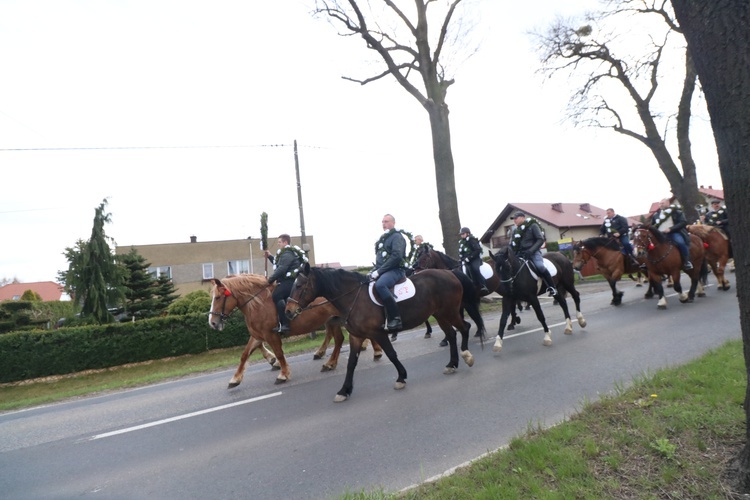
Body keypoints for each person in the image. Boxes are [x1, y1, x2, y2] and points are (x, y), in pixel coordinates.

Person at [368, 214, 407, 332]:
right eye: (382, 222)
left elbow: (396, 256)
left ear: (393, 223)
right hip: (385, 270)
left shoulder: (397, 237)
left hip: (396, 270)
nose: (383, 224)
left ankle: (395, 317)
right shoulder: (383, 239)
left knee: (380, 285)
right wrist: (375, 270)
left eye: (386, 221)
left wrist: (379, 271)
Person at [265, 234, 307, 334]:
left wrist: (269, 280)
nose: (278, 244)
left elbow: (282, 269)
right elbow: (278, 264)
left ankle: (285, 324)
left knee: (276, 295)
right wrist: (270, 256)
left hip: (290, 282)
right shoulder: (285, 253)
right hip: (286, 281)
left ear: (285, 242)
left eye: (279, 242)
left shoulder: (288, 253)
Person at [509, 211, 557, 296]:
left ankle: (552, 287)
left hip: (533, 253)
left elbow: (540, 239)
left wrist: (531, 250)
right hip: (520, 254)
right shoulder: (515, 231)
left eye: (516, 218)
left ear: (523, 217)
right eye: (514, 219)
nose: (514, 220)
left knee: (540, 266)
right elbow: (511, 245)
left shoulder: (533, 226)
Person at [650, 198, 693, 271]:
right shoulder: (656, 215)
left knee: (681, 243)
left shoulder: (676, 212)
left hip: (674, 233)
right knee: (649, 245)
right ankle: (648, 263)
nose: (661, 205)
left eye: (663, 203)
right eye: (660, 203)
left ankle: (687, 261)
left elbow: (683, 222)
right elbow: (653, 225)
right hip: (660, 235)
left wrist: (671, 229)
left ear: (668, 203)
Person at [458, 227, 490, 294]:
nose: (462, 235)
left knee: (475, 268)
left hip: (475, 258)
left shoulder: (472, 240)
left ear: (468, 233)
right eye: (461, 234)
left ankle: (483, 285)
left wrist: (469, 258)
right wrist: (461, 258)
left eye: (463, 234)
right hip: (466, 260)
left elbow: (477, 250)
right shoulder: (462, 242)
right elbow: (462, 252)